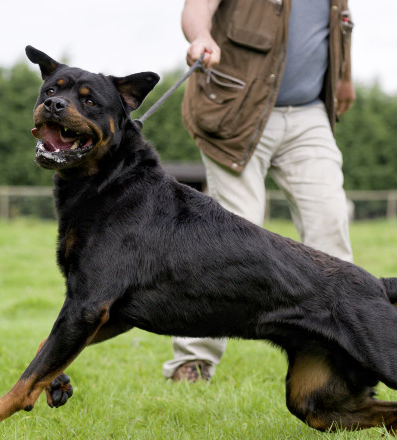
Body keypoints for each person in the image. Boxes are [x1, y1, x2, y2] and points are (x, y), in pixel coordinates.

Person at [163, 0, 357, 382]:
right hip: (237, 111)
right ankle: (194, 360)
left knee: (330, 225)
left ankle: (343, 358)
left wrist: (344, 78)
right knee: (228, 240)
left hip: (308, 113)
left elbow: (340, 26)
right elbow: (198, 5)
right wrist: (201, 35)